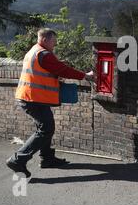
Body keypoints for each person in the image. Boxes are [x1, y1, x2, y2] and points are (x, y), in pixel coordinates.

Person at [6, 28, 94, 178]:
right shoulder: (44, 54)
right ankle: (18, 159)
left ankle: (47, 158)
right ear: (45, 39)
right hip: (34, 98)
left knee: (44, 128)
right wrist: (85, 75)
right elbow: (62, 70)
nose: (55, 45)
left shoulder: (34, 50)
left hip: (32, 96)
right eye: (54, 41)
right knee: (46, 129)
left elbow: (46, 71)